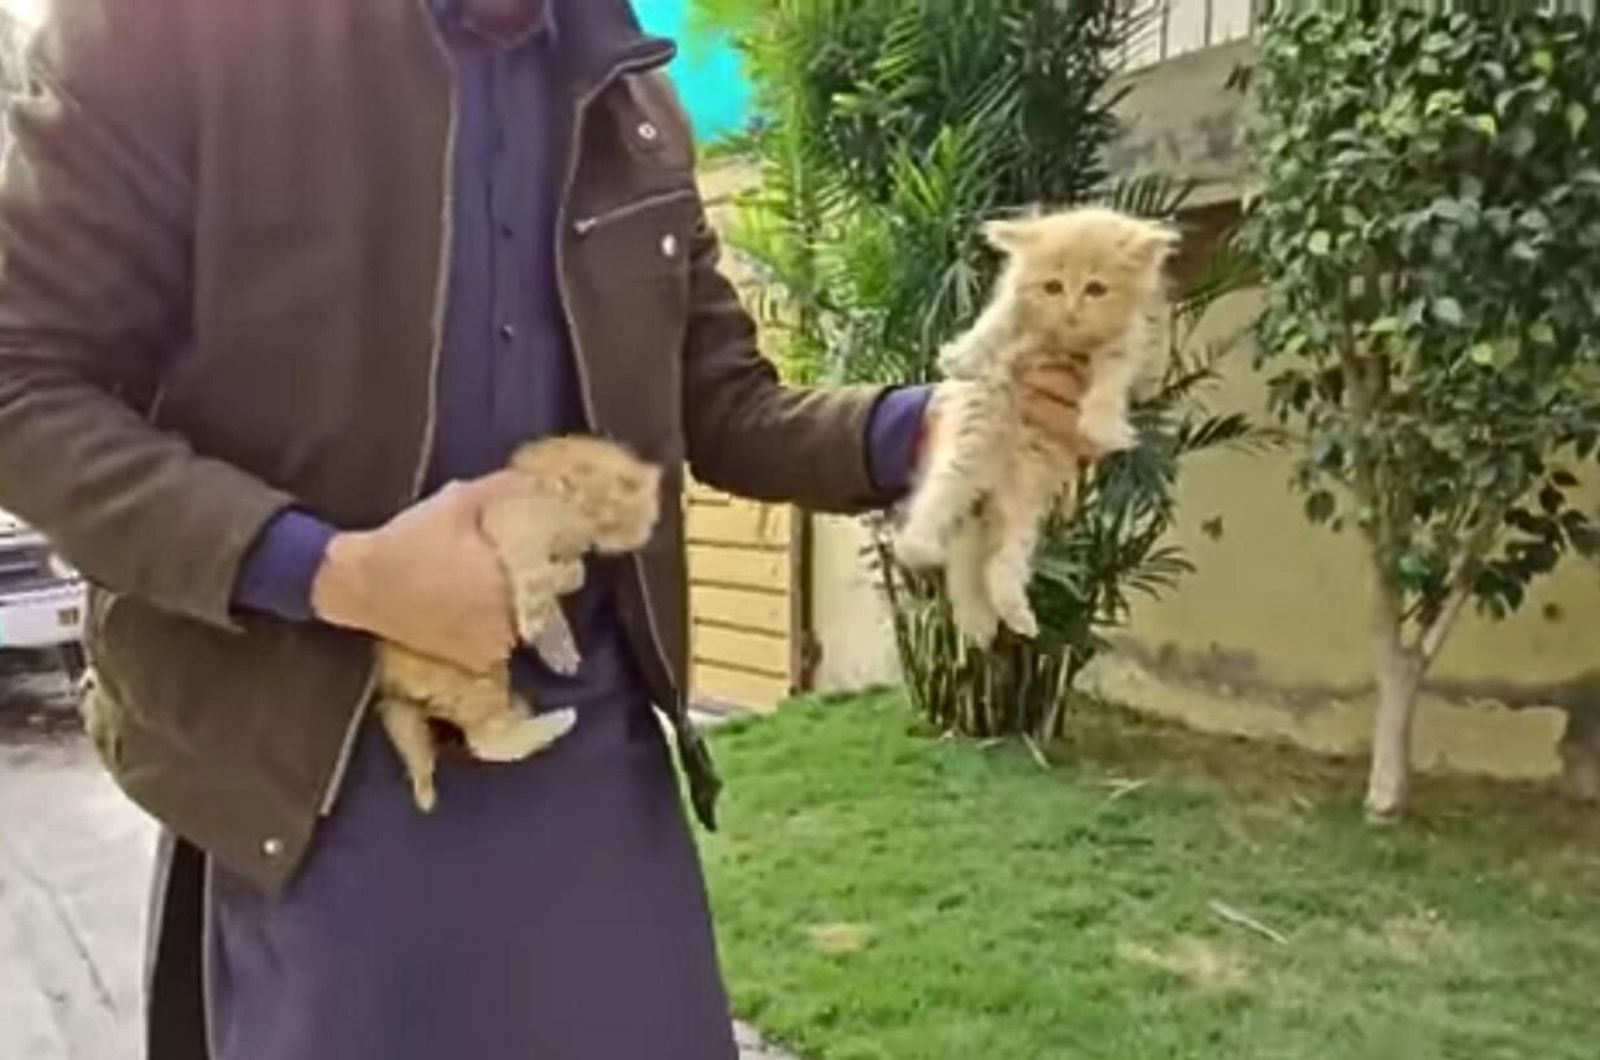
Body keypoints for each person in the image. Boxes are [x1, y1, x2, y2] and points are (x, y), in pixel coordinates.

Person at [0, 1, 1085, 1057]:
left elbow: (722, 404)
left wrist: (919, 429)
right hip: (315, 782)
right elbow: (23, 388)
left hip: (589, 778)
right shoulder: (170, 30)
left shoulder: (625, 90)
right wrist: (338, 572)